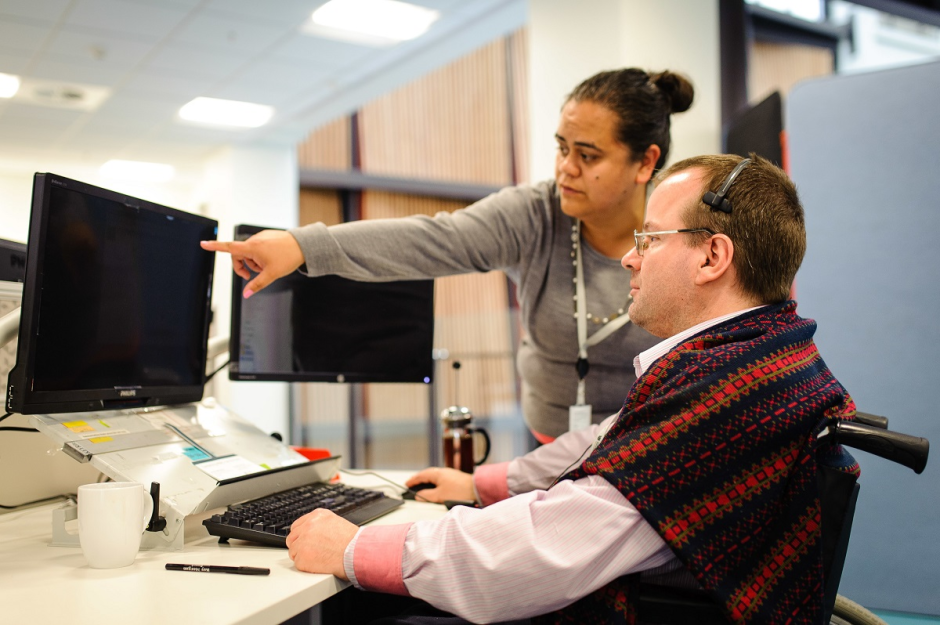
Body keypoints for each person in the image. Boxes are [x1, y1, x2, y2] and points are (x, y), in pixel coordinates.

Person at [283, 154, 859, 625]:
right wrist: (482, 482)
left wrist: (354, 550)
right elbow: (605, 445)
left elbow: (539, 552)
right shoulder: (760, 355)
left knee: (362, 605)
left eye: (650, 238)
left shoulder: (722, 389)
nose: (631, 258)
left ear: (712, 256)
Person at [200, 68, 695, 442]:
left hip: (642, 446)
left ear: (645, 161)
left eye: (587, 156)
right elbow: (434, 240)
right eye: (561, 147)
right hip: (546, 441)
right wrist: (302, 245)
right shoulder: (537, 213)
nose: (565, 168)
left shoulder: (680, 233)